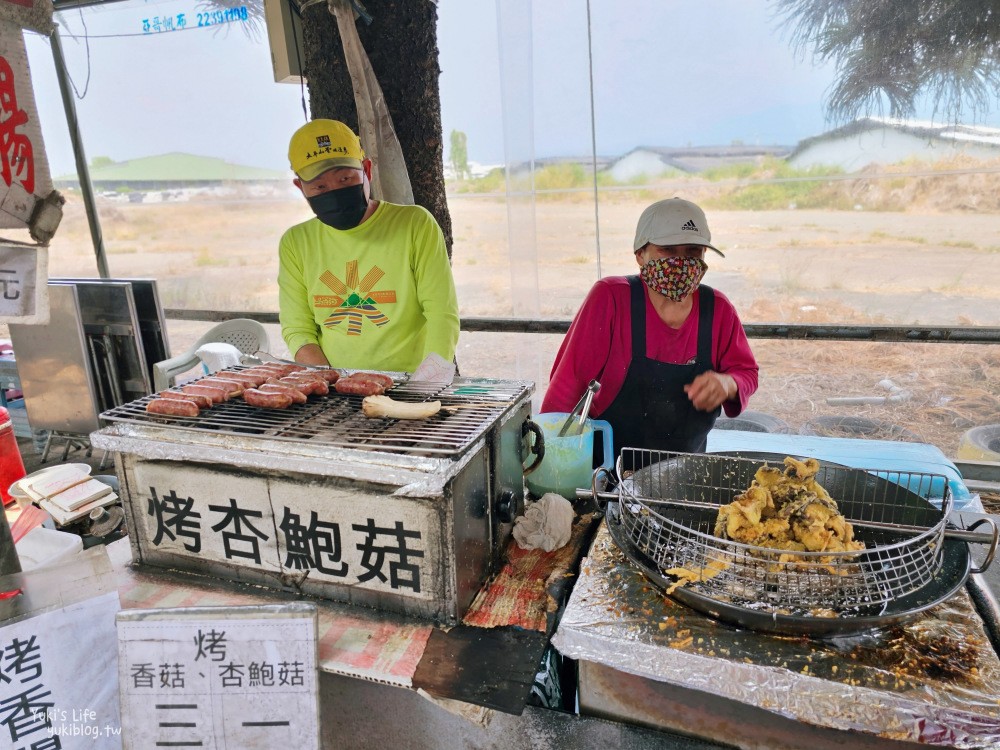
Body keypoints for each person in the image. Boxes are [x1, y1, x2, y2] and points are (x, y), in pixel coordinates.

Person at [541, 197, 758, 463]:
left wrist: (729, 383)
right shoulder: (611, 299)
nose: (681, 262)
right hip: (606, 473)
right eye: (668, 250)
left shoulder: (719, 310)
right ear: (640, 255)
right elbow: (569, 383)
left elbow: (746, 372)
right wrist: (548, 456)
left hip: (682, 474)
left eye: (693, 251)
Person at [278, 119, 460, 372]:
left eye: (345, 179)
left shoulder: (414, 224)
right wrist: (330, 382)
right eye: (320, 186)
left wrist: (427, 381)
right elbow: (298, 328)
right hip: (336, 386)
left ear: (366, 170)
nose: (334, 192)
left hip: (411, 380)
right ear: (301, 187)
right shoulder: (297, 242)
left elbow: (442, 314)